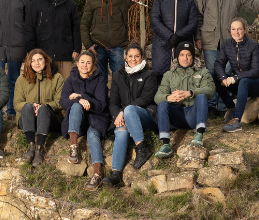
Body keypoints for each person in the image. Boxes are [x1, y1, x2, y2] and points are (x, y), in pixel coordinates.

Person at [101, 44, 161, 188]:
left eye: (137, 56)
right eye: (130, 56)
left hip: (146, 115)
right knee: (121, 132)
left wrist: (124, 111)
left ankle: (141, 148)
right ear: (125, 57)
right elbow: (113, 102)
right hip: (125, 115)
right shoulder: (117, 76)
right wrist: (118, 114)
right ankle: (116, 176)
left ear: (142, 58)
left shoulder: (150, 75)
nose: (133, 59)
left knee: (129, 110)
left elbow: (146, 98)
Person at [154, 41, 215, 158]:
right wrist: (169, 97)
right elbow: (157, 96)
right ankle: (166, 145)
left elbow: (210, 90)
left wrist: (190, 93)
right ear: (177, 57)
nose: (185, 58)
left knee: (201, 95)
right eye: (182, 54)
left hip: (193, 115)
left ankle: (199, 136)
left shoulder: (203, 72)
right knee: (162, 104)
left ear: (193, 56)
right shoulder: (168, 75)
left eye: (188, 55)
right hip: (177, 116)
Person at [61, 51, 110, 190]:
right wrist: (79, 100)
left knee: (93, 135)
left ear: (93, 65)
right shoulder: (70, 80)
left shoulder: (100, 80)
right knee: (76, 105)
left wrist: (83, 96)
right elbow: (63, 102)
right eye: (82, 62)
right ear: (77, 64)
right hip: (79, 120)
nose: (85, 65)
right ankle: (74, 146)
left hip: (97, 117)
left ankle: (97, 173)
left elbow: (101, 105)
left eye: (88, 62)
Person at [80, 0, 140, 82]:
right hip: (98, 45)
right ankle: (102, 99)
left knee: (119, 78)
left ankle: (116, 99)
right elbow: (84, 24)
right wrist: (88, 44)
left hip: (117, 46)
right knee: (99, 78)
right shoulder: (91, 0)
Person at [216, 18, 259, 133]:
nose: (236, 32)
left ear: (245, 30)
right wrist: (223, 77)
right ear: (230, 31)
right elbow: (219, 63)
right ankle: (231, 107)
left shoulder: (253, 45)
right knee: (215, 76)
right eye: (233, 29)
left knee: (244, 80)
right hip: (240, 85)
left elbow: (255, 71)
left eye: (239, 29)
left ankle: (236, 121)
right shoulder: (226, 44)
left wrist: (234, 78)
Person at [25, 0, 80, 79]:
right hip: (44, 54)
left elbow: (76, 26)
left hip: (65, 52)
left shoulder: (69, 2)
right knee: (46, 87)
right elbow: (29, 27)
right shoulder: (36, 2)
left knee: (65, 86)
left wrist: (77, 48)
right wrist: (31, 50)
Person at [15, 49, 64, 167]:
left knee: (43, 109)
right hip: (27, 118)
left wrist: (45, 106)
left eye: (39, 59)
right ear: (29, 63)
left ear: (46, 61)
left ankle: (39, 149)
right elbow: (17, 103)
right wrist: (32, 106)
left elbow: (60, 102)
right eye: (33, 61)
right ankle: (31, 146)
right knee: (27, 106)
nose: (36, 63)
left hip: (50, 119)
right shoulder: (22, 79)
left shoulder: (57, 78)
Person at [151, 0, 199, 76]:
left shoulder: (190, 2)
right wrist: (169, 36)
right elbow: (155, 20)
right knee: (160, 73)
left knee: (182, 74)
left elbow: (193, 23)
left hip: (182, 43)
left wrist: (178, 36)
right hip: (162, 44)